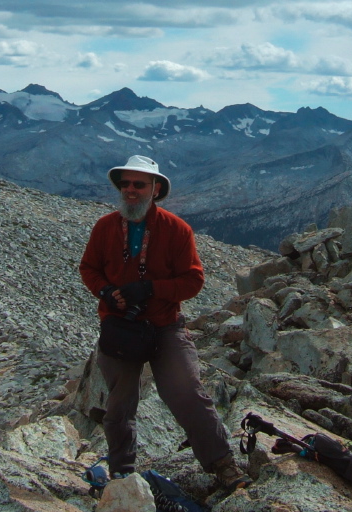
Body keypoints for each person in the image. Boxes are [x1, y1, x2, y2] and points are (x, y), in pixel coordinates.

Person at [79, 155, 241, 508]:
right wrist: (106, 292)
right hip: (120, 327)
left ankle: (223, 465)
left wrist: (150, 289)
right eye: (126, 184)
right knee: (120, 404)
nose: (131, 190)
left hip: (165, 326)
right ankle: (123, 473)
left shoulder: (177, 230)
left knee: (187, 392)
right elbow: (89, 268)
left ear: (156, 190)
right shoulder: (105, 227)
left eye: (139, 184)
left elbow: (193, 280)